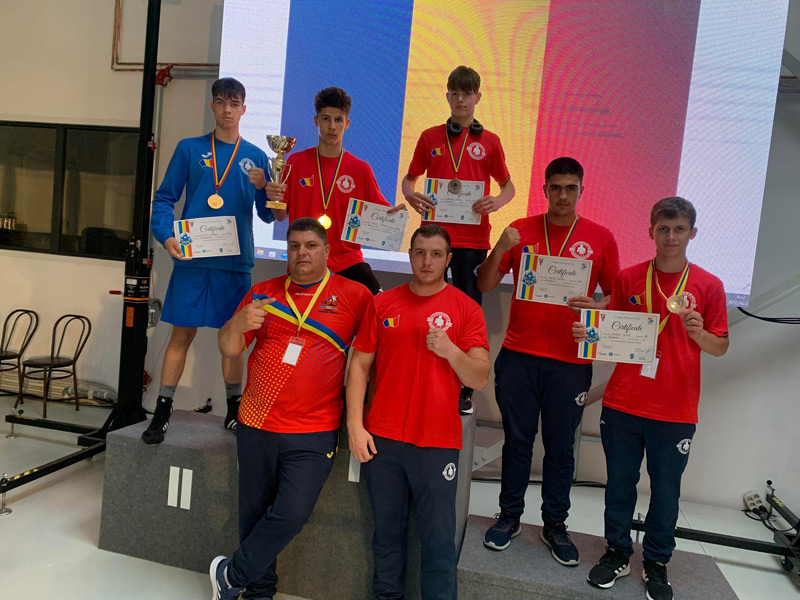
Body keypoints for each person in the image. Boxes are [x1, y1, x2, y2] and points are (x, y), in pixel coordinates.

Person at [209, 217, 375, 600]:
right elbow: (228, 348)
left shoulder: (354, 296)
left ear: (327, 251)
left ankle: (230, 574)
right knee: (254, 514)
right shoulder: (263, 293)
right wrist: (236, 325)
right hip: (257, 422)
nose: (302, 253)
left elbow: (367, 361)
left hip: (314, 430)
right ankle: (257, 592)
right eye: (295, 246)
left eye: (311, 245)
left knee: (292, 512)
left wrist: (360, 419)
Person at [576, 197, 729, 600]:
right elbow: (608, 330)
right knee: (619, 485)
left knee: (666, 491)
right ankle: (617, 553)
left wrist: (698, 334)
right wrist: (589, 330)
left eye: (679, 229)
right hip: (623, 403)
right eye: (664, 229)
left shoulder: (709, 285)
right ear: (651, 232)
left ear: (692, 233)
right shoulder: (629, 278)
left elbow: (720, 347)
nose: (671, 237)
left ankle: (657, 562)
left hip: (675, 409)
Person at [476, 157, 620, 566]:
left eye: (571, 188)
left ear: (581, 190)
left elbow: (617, 295)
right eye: (555, 187)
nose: (562, 196)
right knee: (518, 442)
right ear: (544, 189)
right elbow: (485, 283)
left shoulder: (601, 237)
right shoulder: (520, 230)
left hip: (569, 363)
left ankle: (555, 525)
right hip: (519, 357)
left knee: (560, 448)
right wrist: (499, 247)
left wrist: (597, 307)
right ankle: (509, 516)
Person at [347, 224, 490, 600]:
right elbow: (359, 366)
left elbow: (479, 377)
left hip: (437, 443)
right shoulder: (383, 304)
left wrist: (451, 351)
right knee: (386, 537)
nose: (427, 261)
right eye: (420, 253)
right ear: (409, 256)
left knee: (438, 543)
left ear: (449, 259)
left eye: (436, 254)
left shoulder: (466, 309)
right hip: (383, 441)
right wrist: (355, 426)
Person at [145, 77, 274, 444]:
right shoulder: (190, 149)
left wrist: (266, 188)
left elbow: (268, 215)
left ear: (244, 109)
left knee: (233, 339)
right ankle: (162, 411)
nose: (227, 110)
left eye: (234, 104)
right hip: (193, 259)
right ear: (212, 105)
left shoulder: (257, 157)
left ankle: (234, 410)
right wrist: (166, 235)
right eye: (221, 102)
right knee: (180, 334)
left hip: (233, 263)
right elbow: (164, 198)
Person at [401, 64, 514, 414]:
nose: (460, 99)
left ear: (477, 97)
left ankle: (464, 385)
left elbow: (508, 187)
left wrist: (497, 201)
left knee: (467, 310)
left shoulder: (490, 141)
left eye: (467, 93)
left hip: (472, 239)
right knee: (425, 302)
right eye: (455, 93)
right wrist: (410, 195)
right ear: (447, 95)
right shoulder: (429, 137)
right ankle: (425, 371)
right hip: (434, 238)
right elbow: (409, 179)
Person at [266, 86, 403, 295]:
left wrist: (395, 217)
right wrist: (274, 197)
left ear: (347, 124)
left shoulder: (360, 169)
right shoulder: (295, 162)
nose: (332, 126)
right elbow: (280, 215)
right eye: (326, 119)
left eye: (338, 120)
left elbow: (382, 216)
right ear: (316, 121)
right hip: (307, 260)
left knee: (379, 302)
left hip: (348, 261)